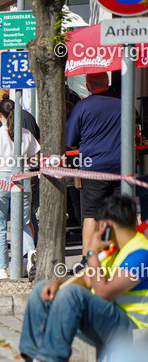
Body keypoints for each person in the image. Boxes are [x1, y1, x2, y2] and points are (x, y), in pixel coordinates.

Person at [2, 194, 148, 362]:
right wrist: (58, 283)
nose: (98, 229)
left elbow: (104, 291)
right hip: (107, 318)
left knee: (73, 294)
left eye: (101, 224)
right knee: (41, 289)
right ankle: (36, 360)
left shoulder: (141, 254)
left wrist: (92, 253)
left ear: (109, 225)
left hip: (126, 327)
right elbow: (88, 278)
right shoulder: (115, 248)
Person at [0, 100, 40, 280]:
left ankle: (2, 269)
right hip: (23, 178)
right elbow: (35, 160)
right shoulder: (27, 134)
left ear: (0, 115)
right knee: (23, 222)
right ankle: (30, 254)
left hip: (0, 181)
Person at [66, 71, 121, 272]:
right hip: (121, 167)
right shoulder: (123, 102)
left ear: (88, 85)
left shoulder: (82, 106)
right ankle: (118, 256)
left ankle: (86, 260)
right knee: (118, 212)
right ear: (107, 81)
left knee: (91, 214)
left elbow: (70, 140)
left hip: (93, 167)